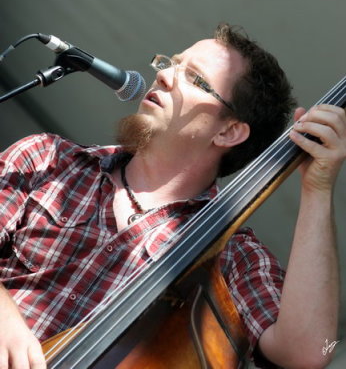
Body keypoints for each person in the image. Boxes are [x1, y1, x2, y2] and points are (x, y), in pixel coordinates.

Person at [0, 22, 345, 369]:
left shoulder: (232, 256)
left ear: (228, 131)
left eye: (194, 79)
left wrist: (317, 189)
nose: (164, 76)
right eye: (171, 63)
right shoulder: (46, 159)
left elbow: (310, 354)